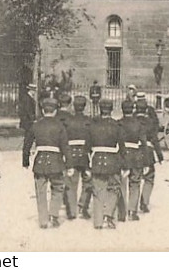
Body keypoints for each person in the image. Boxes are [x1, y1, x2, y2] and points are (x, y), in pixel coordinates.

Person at [22, 96, 71, 229]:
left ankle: (43, 220)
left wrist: (25, 162)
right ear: (55, 111)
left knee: (41, 191)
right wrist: (69, 165)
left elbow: (26, 144)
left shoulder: (35, 125)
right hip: (56, 161)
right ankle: (54, 215)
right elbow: (65, 147)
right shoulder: (60, 126)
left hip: (40, 161)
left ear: (43, 110)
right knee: (57, 189)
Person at [89, 98, 126, 230]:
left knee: (98, 191)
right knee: (114, 189)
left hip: (97, 160)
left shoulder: (93, 126)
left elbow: (87, 147)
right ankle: (108, 214)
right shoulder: (117, 126)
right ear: (111, 110)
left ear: (100, 109)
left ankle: (98, 222)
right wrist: (125, 165)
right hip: (113, 161)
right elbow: (122, 147)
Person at [62, 93, 92, 221]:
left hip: (71, 154)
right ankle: (83, 207)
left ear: (74, 106)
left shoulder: (68, 121)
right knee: (87, 182)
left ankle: (72, 210)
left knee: (71, 183)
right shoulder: (89, 121)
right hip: (85, 154)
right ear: (84, 107)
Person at [119, 98, 149, 220]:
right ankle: (132, 211)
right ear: (133, 110)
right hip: (136, 156)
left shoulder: (118, 123)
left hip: (123, 155)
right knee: (135, 183)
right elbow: (144, 143)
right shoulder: (138, 124)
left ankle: (121, 212)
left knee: (122, 183)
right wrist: (146, 162)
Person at [135, 93, 163, 214]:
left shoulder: (132, 120)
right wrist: (160, 155)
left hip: (135, 152)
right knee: (149, 178)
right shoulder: (150, 122)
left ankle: (133, 204)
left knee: (134, 179)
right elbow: (155, 139)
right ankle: (144, 202)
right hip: (148, 152)